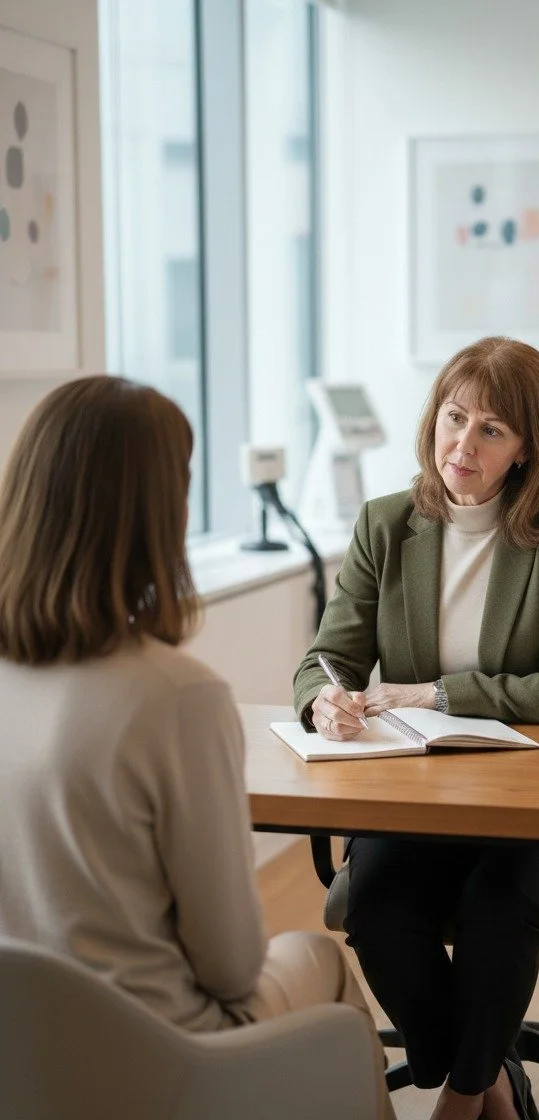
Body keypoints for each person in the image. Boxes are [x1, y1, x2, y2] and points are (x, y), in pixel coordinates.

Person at [0, 376, 394, 1120]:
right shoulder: (177, 696)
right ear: (154, 514)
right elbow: (232, 966)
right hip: (155, 1055)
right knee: (321, 961)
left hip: (20, 1055)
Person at [293, 337, 539, 1120]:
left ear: (526, 449)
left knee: (499, 904)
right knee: (378, 908)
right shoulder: (386, 524)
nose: (463, 446)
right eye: (455, 418)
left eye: (491, 430)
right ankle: (488, 1080)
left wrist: (436, 694)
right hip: (420, 795)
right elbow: (324, 659)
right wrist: (324, 700)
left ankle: (463, 1094)